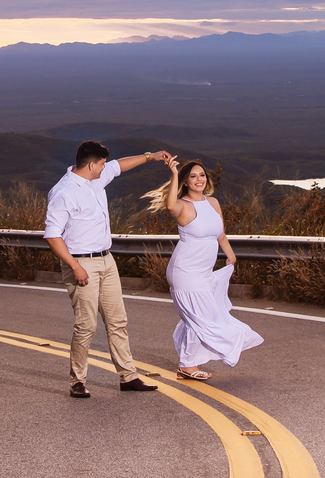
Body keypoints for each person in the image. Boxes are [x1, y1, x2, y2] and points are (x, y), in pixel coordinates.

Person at [44, 140, 173, 398]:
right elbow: (52, 235)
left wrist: (151, 156)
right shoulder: (65, 191)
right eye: (102, 164)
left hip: (106, 259)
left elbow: (120, 166)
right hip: (81, 263)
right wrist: (75, 266)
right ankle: (77, 381)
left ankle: (128, 376)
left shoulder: (95, 179)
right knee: (86, 325)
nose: (106, 167)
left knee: (118, 321)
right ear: (91, 164)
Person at [147, 156, 263, 380]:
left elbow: (219, 233)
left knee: (198, 317)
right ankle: (187, 365)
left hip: (204, 272)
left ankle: (187, 365)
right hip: (185, 272)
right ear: (186, 182)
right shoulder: (182, 205)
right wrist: (173, 174)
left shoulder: (213, 202)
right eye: (193, 176)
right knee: (202, 318)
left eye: (201, 175)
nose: (198, 179)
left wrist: (229, 254)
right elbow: (170, 206)